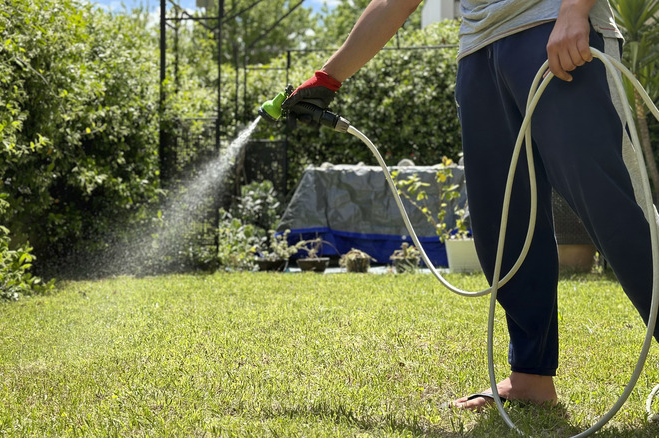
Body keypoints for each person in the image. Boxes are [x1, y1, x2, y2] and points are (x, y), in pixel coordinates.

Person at [282, 0, 658, 410]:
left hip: (555, 28)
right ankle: (530, 376)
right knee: (503, 223)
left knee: (614, 208)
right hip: (480, 50)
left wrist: (575, 9)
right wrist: (327, 78)